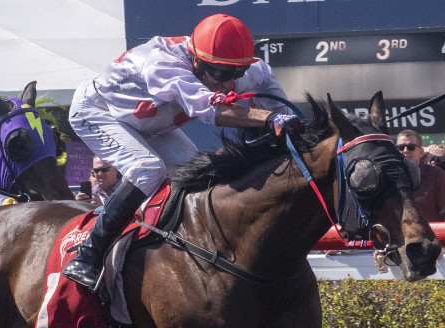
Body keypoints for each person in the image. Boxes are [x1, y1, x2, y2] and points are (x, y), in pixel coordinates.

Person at [63, 13, 300, 290]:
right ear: (196, 60)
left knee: (196, 173)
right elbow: (211, 110)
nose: (228, 83)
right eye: (221, 74)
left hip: (150, 124)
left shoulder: (240, 69)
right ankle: (88, 255)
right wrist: (268, 119)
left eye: (237, 73)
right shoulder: (163, 63)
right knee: (148, 169)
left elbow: (272, 92)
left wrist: (292, 124)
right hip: (97, 112)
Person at [395, 130, 445, 223]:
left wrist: (443, 235)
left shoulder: (437, 175)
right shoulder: (388, 177)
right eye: (401, 148)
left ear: (421, 152)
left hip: (429, 236)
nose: (405, 151)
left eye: (411, 147)